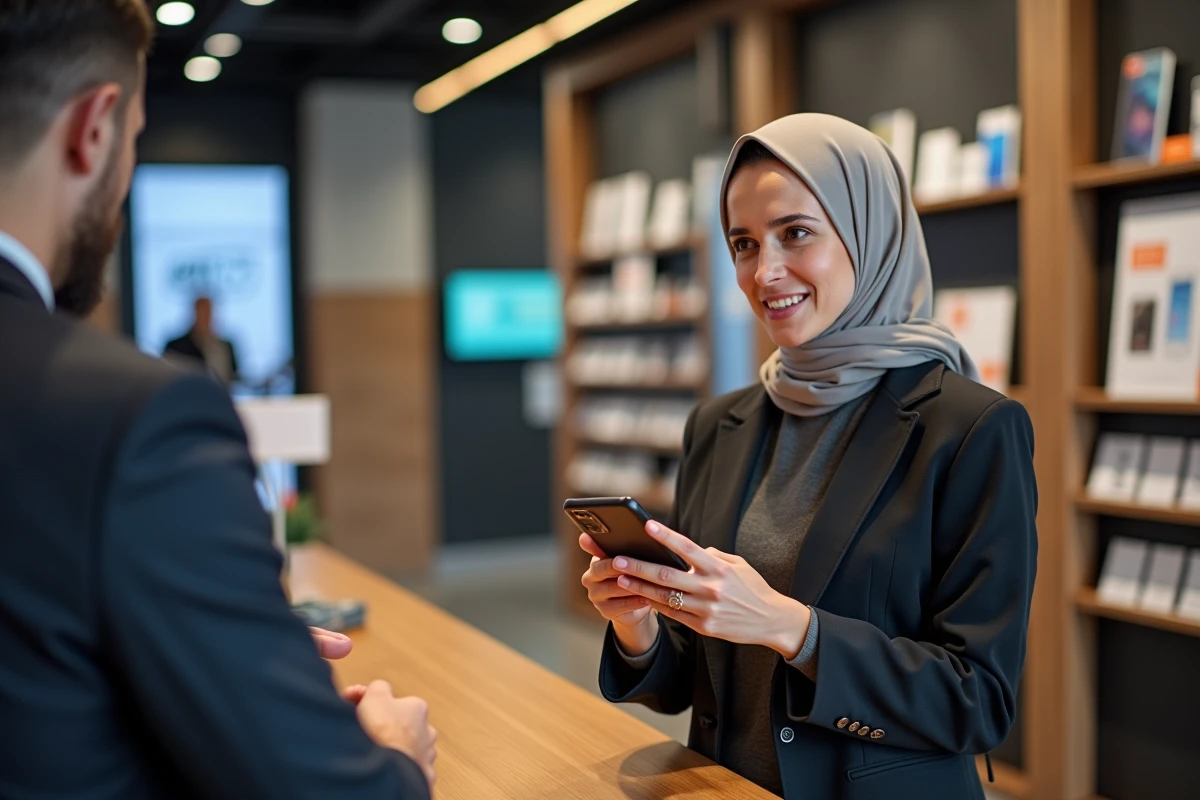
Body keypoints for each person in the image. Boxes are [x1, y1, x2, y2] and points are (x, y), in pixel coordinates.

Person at [0, 2, 435, 797]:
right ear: (95, 128)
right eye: (134, 142)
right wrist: (395, 757)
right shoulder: (140, 417)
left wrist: (220, 648)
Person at [580, 114, 1037, 799]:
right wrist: (639, 622)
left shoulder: (970, 428)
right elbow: (691, 678)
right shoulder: (718, 424)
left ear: (868, 230)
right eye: (742, 243)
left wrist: (792, 629)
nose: (764, 272)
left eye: (795, 233)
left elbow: (977, 700)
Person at [164, 295, 240, 388]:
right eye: (202, 311)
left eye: (208, 312)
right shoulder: (176, 346)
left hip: (221, 398)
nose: (205, 316)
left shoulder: (226, 346)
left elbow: (235, 378)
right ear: (194, 313)